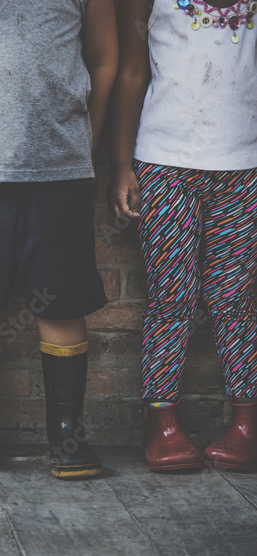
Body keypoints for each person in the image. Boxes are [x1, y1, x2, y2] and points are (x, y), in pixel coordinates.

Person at [0, 0, 118, 479]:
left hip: (59, 165)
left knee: (61, 302)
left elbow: (105, 57)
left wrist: (86, 139)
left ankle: (65, 430)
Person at [110, 0, 257, 473]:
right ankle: (161, 422)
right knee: (171, 295)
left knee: (234, 298)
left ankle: (247, 424)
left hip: (243, 167)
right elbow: (132, 72)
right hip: (164, 164)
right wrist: (119, 164)